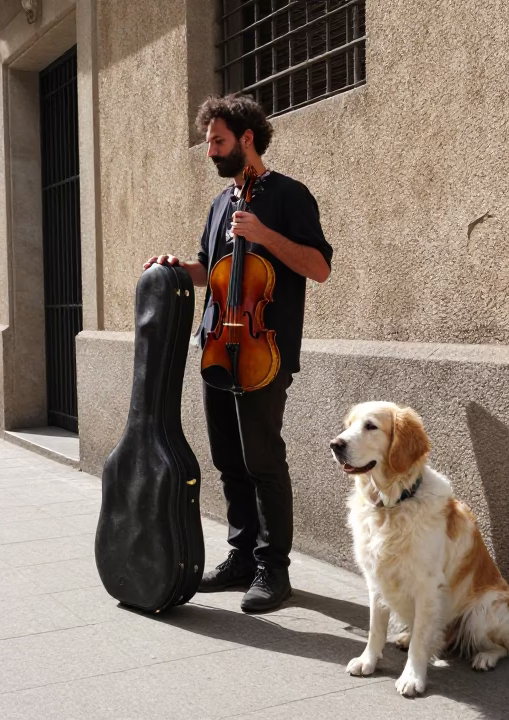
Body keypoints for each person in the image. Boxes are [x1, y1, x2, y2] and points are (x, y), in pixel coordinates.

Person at [144, 93, 332, 613]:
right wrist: (174, 267)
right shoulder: (221, 203)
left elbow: (318, 268)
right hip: (216, 348)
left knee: (263, 459)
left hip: (263, 353)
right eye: (209, 142)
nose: (211, 151)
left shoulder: (290, 195)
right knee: (228, 460)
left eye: (218, 142)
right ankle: (241, 557)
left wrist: (264, 234)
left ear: (246, 139)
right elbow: (209, 270)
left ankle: (274, 569)